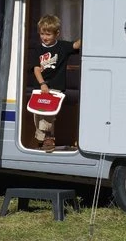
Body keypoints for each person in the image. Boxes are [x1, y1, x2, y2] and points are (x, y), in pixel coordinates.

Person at [32, 14, 81, 152]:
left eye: (48, 34)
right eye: (42, 34)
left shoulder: (63, 46)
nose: (44, 37)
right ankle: (42, 139)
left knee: (48, 113)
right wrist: (42, 84)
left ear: (57, 34)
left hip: (56, 87)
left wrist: (88, 31)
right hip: (40, 86)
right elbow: (36, 69)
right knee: (37, 114)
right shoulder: (37, 49)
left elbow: (76, 45)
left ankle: (49, 138)